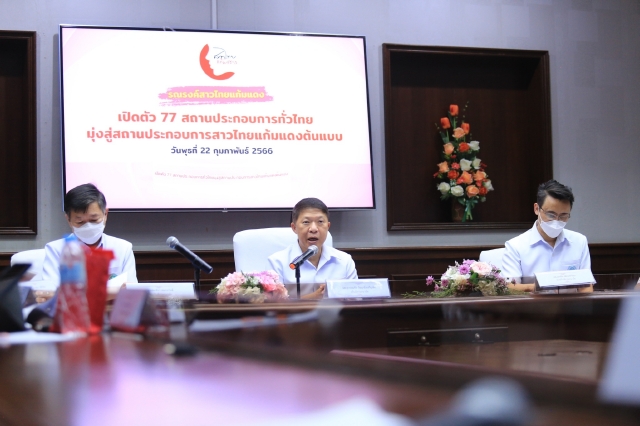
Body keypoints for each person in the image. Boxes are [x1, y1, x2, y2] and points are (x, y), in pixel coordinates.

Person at [501, 180, 592, 292]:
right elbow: (510, 287)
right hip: (532, 303)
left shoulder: (579, 241)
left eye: (563, 215)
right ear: (537, 209)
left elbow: (586, 287)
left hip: (571, 303)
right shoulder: (515, 246)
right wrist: (543, 285)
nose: (557, 220)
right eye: (551, 214)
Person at [42, 183, 138, 284]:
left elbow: (132, 289)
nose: (88, 226)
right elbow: (50, 289)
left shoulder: (123, 248)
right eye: (80, 222)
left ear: (105, 214)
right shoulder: (55, 250)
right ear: (68, 220)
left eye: (94, 220)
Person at [268, 198, 357, 299]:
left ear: (328, 226)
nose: (314, 229)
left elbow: (356, 299)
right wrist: (314, 297)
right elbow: (274, 305)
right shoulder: (277, 262)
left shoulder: (344, 261)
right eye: (306, 222)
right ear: (294, 228)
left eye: (320, 222)